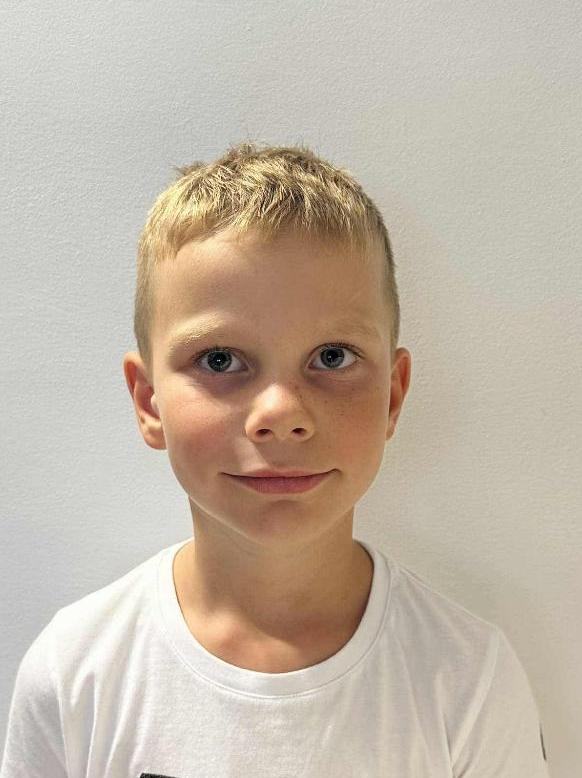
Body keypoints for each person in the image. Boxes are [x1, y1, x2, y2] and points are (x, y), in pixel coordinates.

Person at [1, 142, 550, 777]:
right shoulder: (75, 673)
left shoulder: (469, 678)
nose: (281, 412)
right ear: (149, 401)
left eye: (333, 357)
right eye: (219, 360)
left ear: (392, 396)